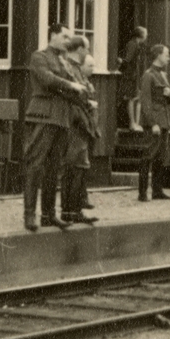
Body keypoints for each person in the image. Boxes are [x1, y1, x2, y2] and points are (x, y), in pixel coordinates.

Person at [23, 23, 86, 232]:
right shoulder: (39, 56)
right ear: (53, 36)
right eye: (64, 36)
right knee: (36, 164)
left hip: (61, 117)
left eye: (69, 38)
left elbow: (69, 89)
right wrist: (71, 85)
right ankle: (30, 215)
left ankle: (48, 215)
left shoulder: (65, 61)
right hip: (43, 114)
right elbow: (47, 80)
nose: (68, 41)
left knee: (53, 169)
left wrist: (82, 100)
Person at [61, 36, 99, 225]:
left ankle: (73, 209)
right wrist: (87, 101)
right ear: (80, 49)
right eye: (87, 49)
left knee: (78, 166)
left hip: (81, 121)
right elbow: (74, 93)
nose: (88, 52)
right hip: (76, 122)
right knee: (75, 166)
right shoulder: (70, 68)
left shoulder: (75, 68)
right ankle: (70, 211)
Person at [138, 44, 170, 202]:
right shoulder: (148, 75)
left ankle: (157, 191)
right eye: (166, 54)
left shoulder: (163, 75)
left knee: (161, 157)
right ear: (158, 55)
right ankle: (142, 193)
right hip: (153, 123)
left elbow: (168, 100)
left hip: (164, 121)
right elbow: (145, 102)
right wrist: (152, 123)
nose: (169, 57)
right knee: (148, 156)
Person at [119, 26, 148, 131]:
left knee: (134, 98)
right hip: (130, 75)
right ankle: (132, 123)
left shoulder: (136, 44)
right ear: (141, 35)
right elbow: (127, 59)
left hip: (133, 74)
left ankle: (135, 123)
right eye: (145, 33)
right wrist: (121, 66)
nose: (146, 36)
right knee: (131, 99)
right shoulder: (133, 44)